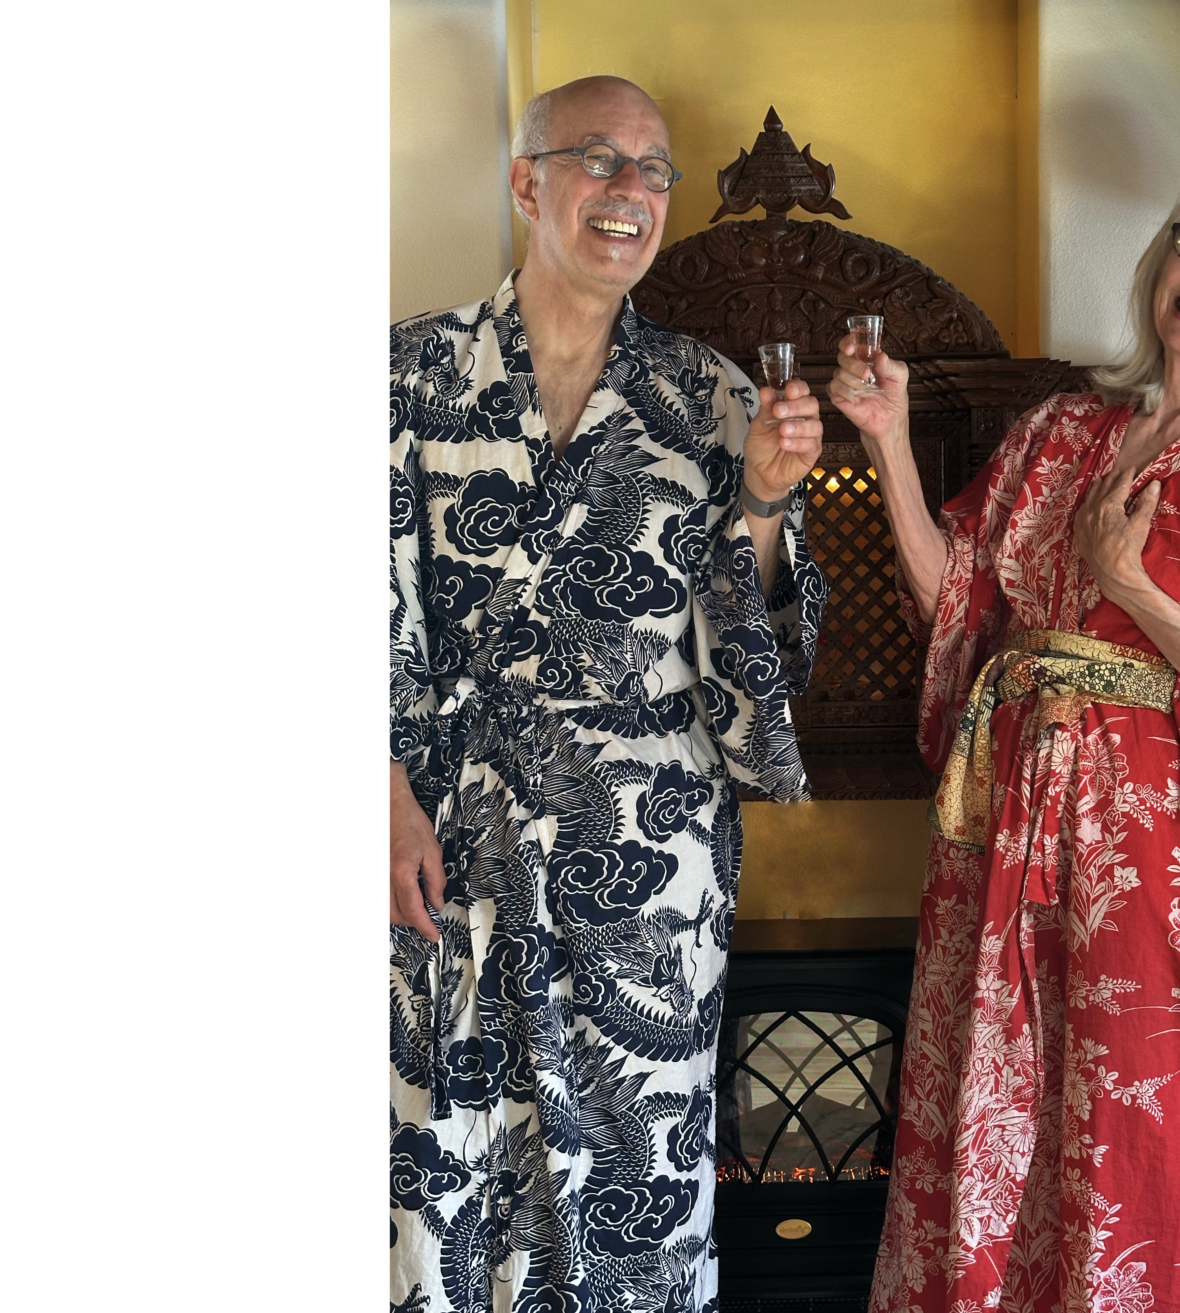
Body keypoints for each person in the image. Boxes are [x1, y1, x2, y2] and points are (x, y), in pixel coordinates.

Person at [830, 162, 1180, 1313]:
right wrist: (888, 437)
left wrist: (1134, 589)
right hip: (1000, 836)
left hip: (1144, 859)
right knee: (989, 1109)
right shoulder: (1063, 430)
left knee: (1140, 1119)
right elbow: (958, 603)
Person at [388, 75, 827, 1313]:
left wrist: (762, 501)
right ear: (527, 182)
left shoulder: (712, 396)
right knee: (443, 1166)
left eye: (651, 170)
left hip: (646, 862)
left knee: (635, 1167)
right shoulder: (409, 376)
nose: (629, 191)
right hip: (436, 843)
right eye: (597, 158)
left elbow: (752, 659)